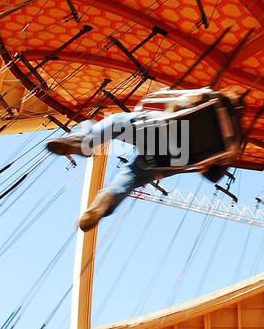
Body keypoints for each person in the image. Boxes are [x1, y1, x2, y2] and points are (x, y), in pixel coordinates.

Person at [46, 88, 245, 230]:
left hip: (165, 130)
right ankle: (107, 200)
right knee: (131, 175)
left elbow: (181, 103)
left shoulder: (213, 98)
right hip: (174, 159)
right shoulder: (234, 143)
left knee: (116, 123)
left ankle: (85, 142)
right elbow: (211, 173)